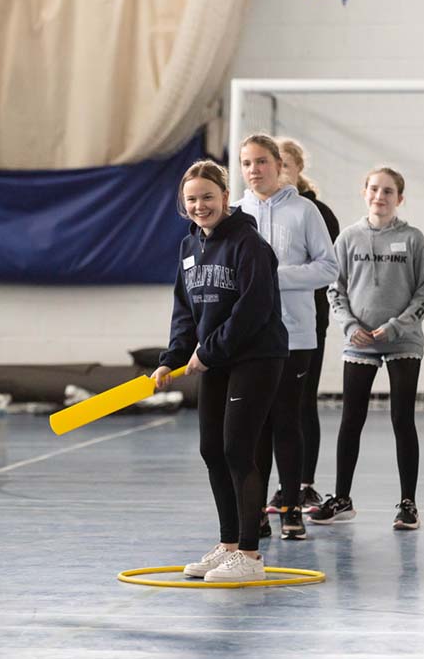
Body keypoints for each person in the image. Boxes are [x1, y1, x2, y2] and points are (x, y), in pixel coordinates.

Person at [152, 159, 287, 582]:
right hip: (216, 358)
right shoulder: (188, 247)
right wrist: (171, 358)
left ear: (226, 197)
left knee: (237, 450)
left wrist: (209, 352)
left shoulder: (249, 244)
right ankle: (228, 545)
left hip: (256, 357)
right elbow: (184, 310)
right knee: (211, 449)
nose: (200, 206)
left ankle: (249, 555)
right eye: (191, 199)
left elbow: (254, 309)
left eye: (208, 197)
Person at [310, 167, 424, 530]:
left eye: (388, 191)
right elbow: (335, 289)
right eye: (375, 189)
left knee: (402, 419)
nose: (380, 196)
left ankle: (408, 504)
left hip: (403, 341)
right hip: (359, 343)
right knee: (351, 418)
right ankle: (342, 498)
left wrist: (396, 326)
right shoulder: (348, 238)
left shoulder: (413, 239)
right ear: (364, 192)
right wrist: (351, 326)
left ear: (400, 198)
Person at [235, 134, 338, 541]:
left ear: (279, 165)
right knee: (255, 426)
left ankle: (291, 508)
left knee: (286, 420)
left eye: (261, 161)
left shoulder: (304, 211)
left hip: (295, 336)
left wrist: (274, 278)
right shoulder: (236, 214)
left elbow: (328, 268)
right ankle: (255, 511)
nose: (254, 170)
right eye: (246, 163)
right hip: (249, 340)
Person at [269, 136, 341, 515]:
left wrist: (277, 278)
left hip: (307, 321)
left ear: (298, 168)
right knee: (271, 407)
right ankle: (279, 486)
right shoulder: (256, 211)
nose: (278, 170)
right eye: (273, 163)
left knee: (301, 401)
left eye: (285, 164)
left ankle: (303, 485)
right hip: (266, 323)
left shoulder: (315, 212)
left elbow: (327, 268)